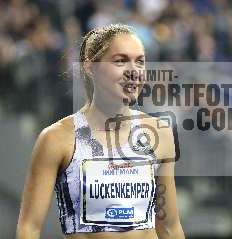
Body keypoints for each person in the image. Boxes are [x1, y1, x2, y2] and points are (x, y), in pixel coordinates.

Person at [16, 23, 184, 239]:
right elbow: (29, 228)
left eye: (140, 61)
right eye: (121, 60)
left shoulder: (160, 134)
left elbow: (170, 227)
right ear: (90, 67)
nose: (133, 71)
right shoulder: (57, 139)